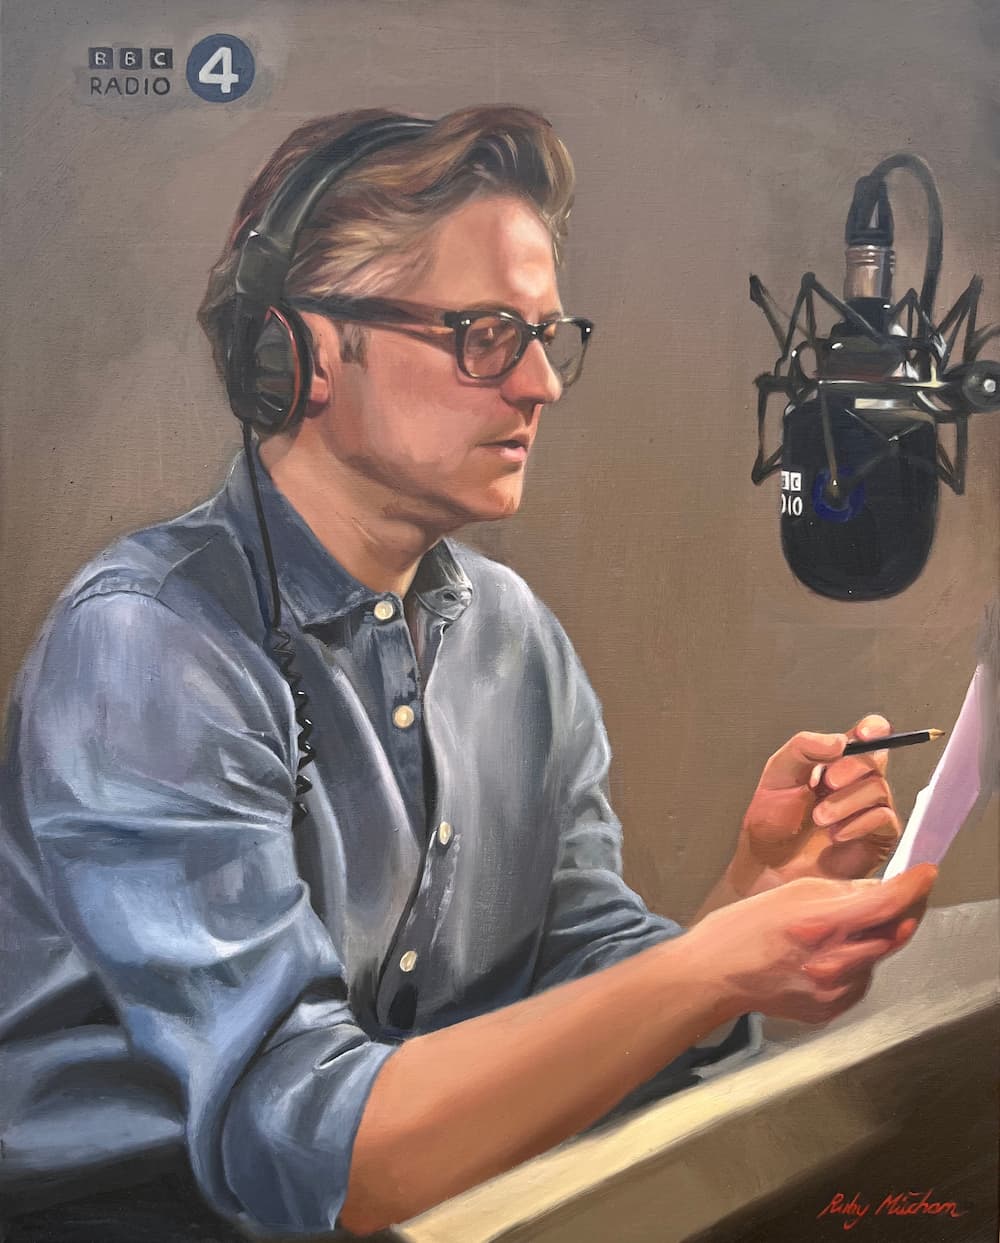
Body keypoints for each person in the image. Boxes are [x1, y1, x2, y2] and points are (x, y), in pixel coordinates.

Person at [0, 105, 935, 1241]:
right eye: (487, 333)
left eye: (549, 335)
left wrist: (744, 908)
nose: (541, 384)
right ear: (299, 353)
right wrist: (706, 975)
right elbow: (313, 1156)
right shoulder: (148, 647)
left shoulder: (514, 637)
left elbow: (581, 990)